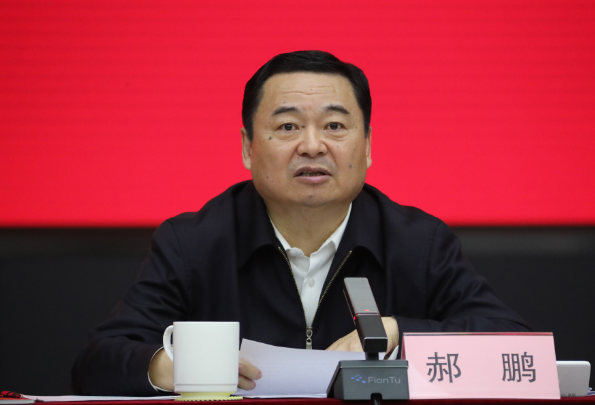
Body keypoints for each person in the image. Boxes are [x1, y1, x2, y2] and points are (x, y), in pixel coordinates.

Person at [72, 50, 530, 396]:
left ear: (367, 146)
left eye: (335, 126)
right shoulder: (194, 243)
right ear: (248, 148)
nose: (312, 146)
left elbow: (516, 346)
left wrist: (399, 332)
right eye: (288, 127)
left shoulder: (417, 242)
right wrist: (170, 368)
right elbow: (97, 361)